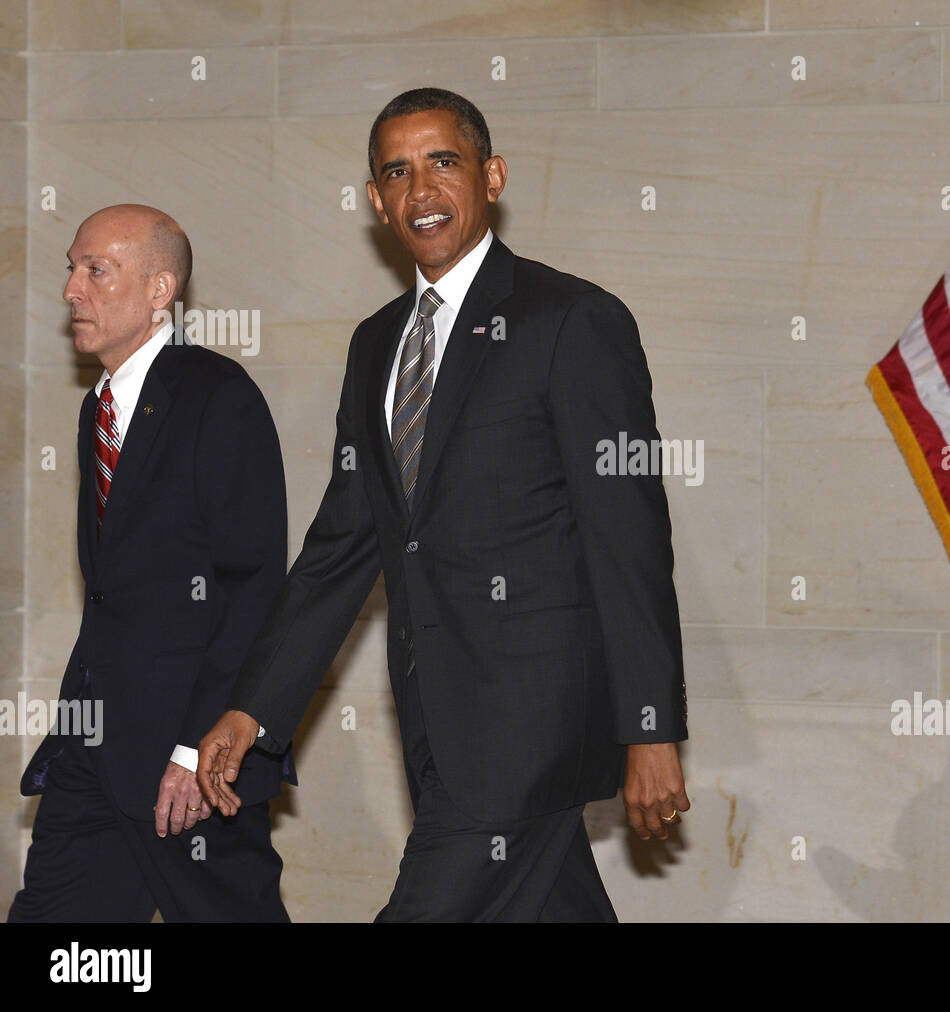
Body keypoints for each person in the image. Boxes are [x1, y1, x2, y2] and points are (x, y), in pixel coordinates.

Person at [197, 88, 689, 922]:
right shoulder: (375, 343)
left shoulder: (572, 319)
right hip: (434, 717)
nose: (420, 190)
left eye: (443, 162)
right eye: (397, 171)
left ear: (491, 176)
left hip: (530, 725)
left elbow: (627, 537)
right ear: (375, 200)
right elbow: (344, 543)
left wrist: (651, 727)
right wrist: (255, 704)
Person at [9, 205, 292, 922]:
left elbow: (253, 588)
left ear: (161, 289)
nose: (72, 290)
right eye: (71, 268)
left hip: (190, 760)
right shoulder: (96, 408)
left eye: (95, 270)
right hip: (92, 749)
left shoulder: (219, 398)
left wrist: (198, 751)